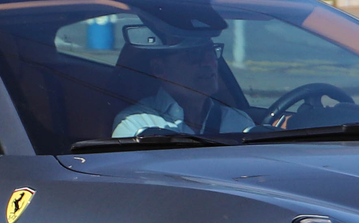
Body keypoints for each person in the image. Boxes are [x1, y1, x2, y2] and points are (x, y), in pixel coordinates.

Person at [109, 27, 256, 139]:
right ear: (159, 68)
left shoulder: (239, 122)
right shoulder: (137, 125)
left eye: (211, 52)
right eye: (194, 54)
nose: (209, 62)